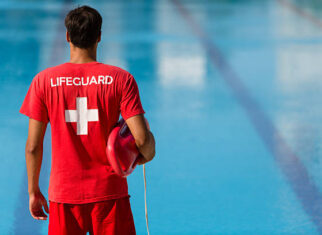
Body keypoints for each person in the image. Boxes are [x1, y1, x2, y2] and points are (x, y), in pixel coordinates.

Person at [19, 5, 156, 235]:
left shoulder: (43, 81)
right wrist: (145, 154)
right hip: (110, 194)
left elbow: (33, 147)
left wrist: (34, 191)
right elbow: (142, 140)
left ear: (67, 36)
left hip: (64, 196)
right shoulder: (121, 79)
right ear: (99, 36)